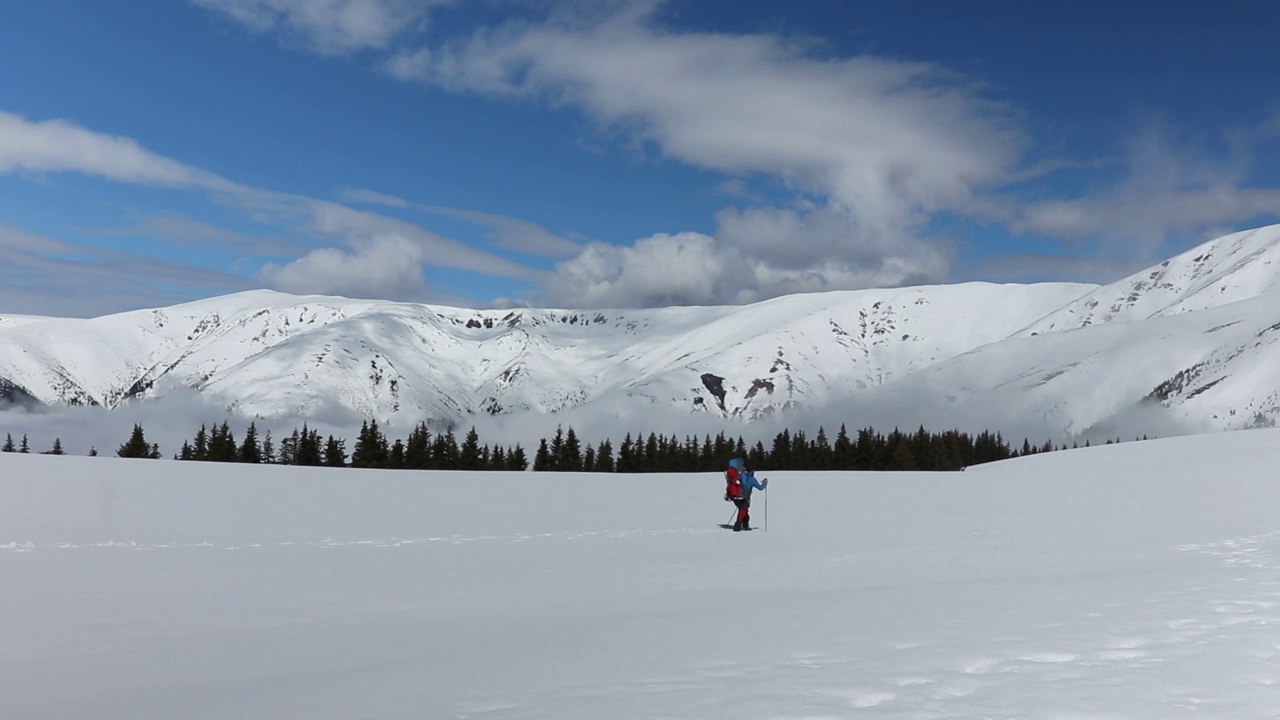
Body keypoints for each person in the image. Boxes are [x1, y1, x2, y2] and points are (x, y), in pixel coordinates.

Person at [732, 461, 767, 531]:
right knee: (743, 511)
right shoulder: (752, 479)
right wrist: (765, 483)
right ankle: (739, 525)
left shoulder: (741, 476)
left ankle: (744, 524)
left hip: (736, 498)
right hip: (744, 498)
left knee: (744, 510)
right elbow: (760, 488)